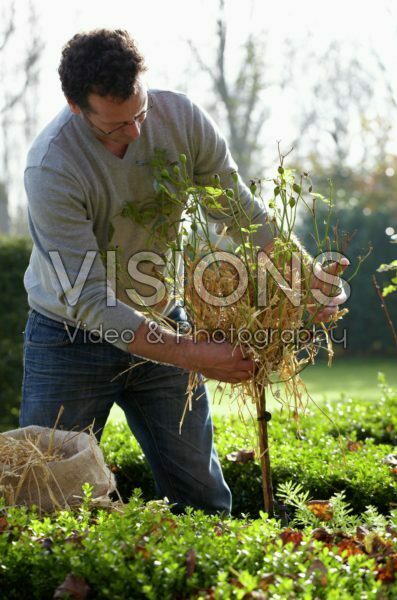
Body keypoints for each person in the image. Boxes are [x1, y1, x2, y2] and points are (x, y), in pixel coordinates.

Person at [21, 29, 346, 515]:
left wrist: (305, 282)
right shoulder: (52, 166)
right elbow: (89, 300)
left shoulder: (182, 118)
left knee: (201, 495)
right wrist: (196, 354)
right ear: (75, 106)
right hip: (71, 340)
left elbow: (241, 213)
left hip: (161, 317)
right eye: (114, 126)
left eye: (140, 113)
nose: (134, 132)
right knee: (46, 497)